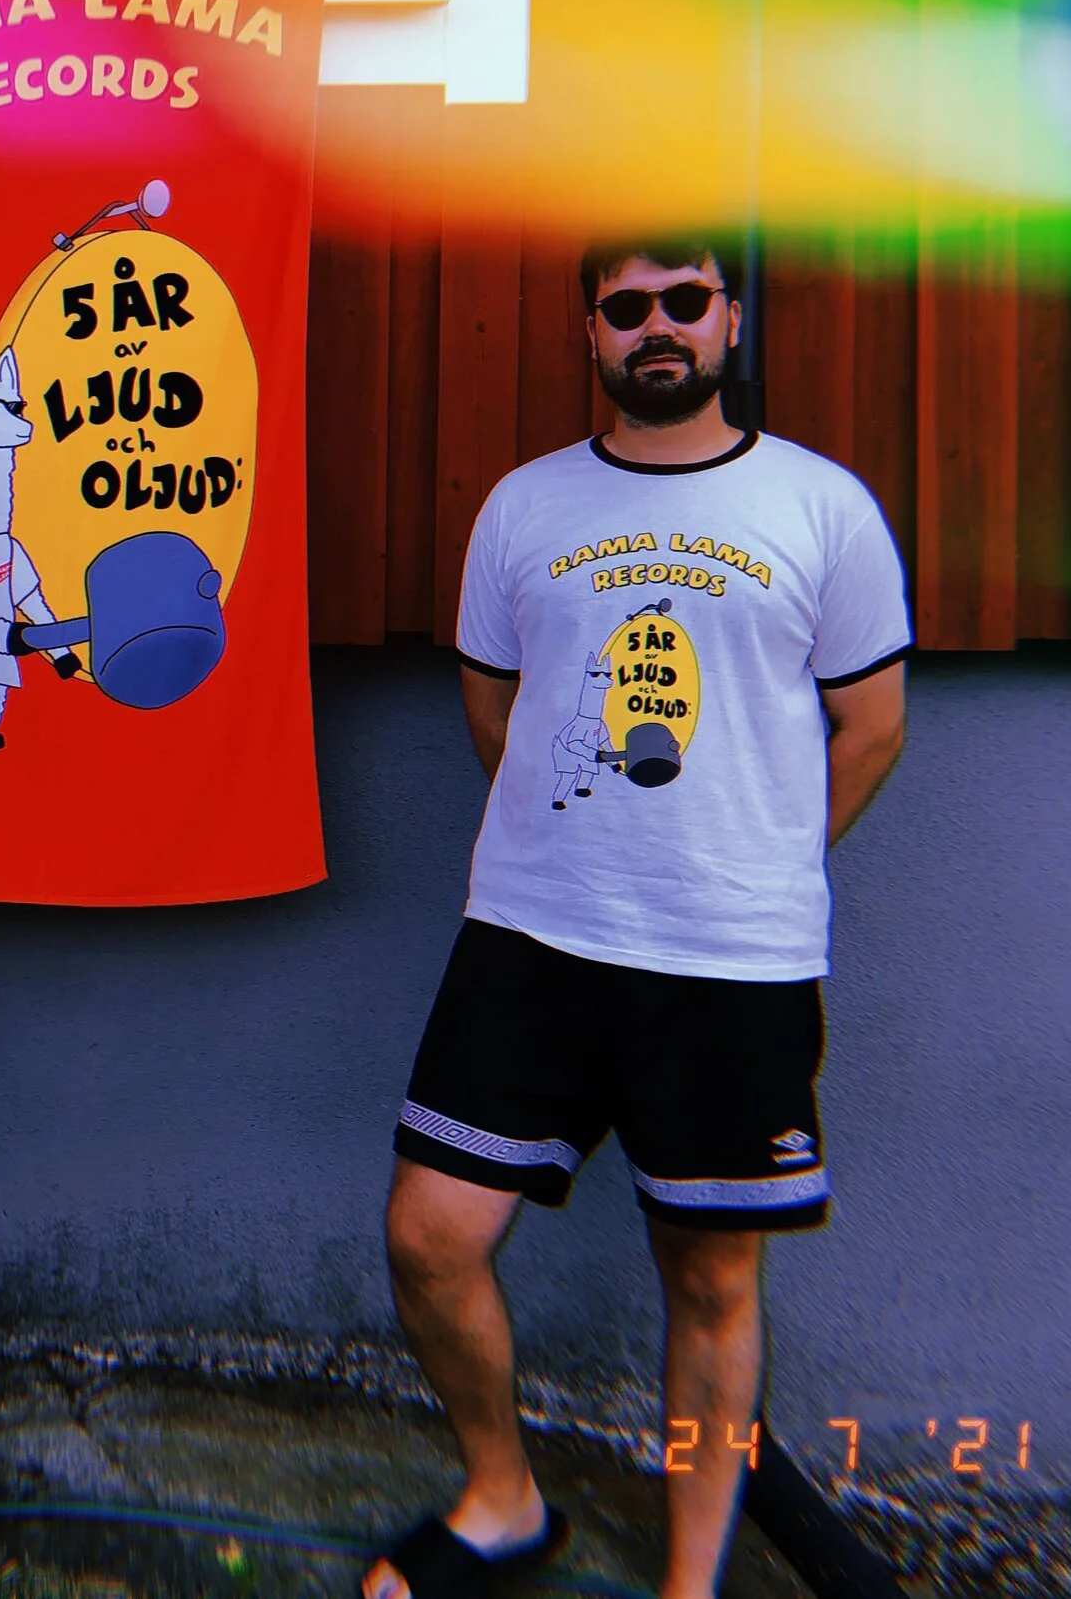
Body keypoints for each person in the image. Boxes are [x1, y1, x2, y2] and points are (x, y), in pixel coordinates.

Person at [363, 237, 911, 1599]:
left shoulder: (822, 508)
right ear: (592, 332)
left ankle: (689, 1579)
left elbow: (872, 724)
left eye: (685, 300)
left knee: (712, 1282)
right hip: (533, 940)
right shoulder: (524, 507)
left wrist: (752, 858)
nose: (657, 325)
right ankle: (501, 1500)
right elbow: (496, 709)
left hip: (731, 963)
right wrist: (590, 839)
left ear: (729, 317)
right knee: (430, 1236)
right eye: (627, 306)